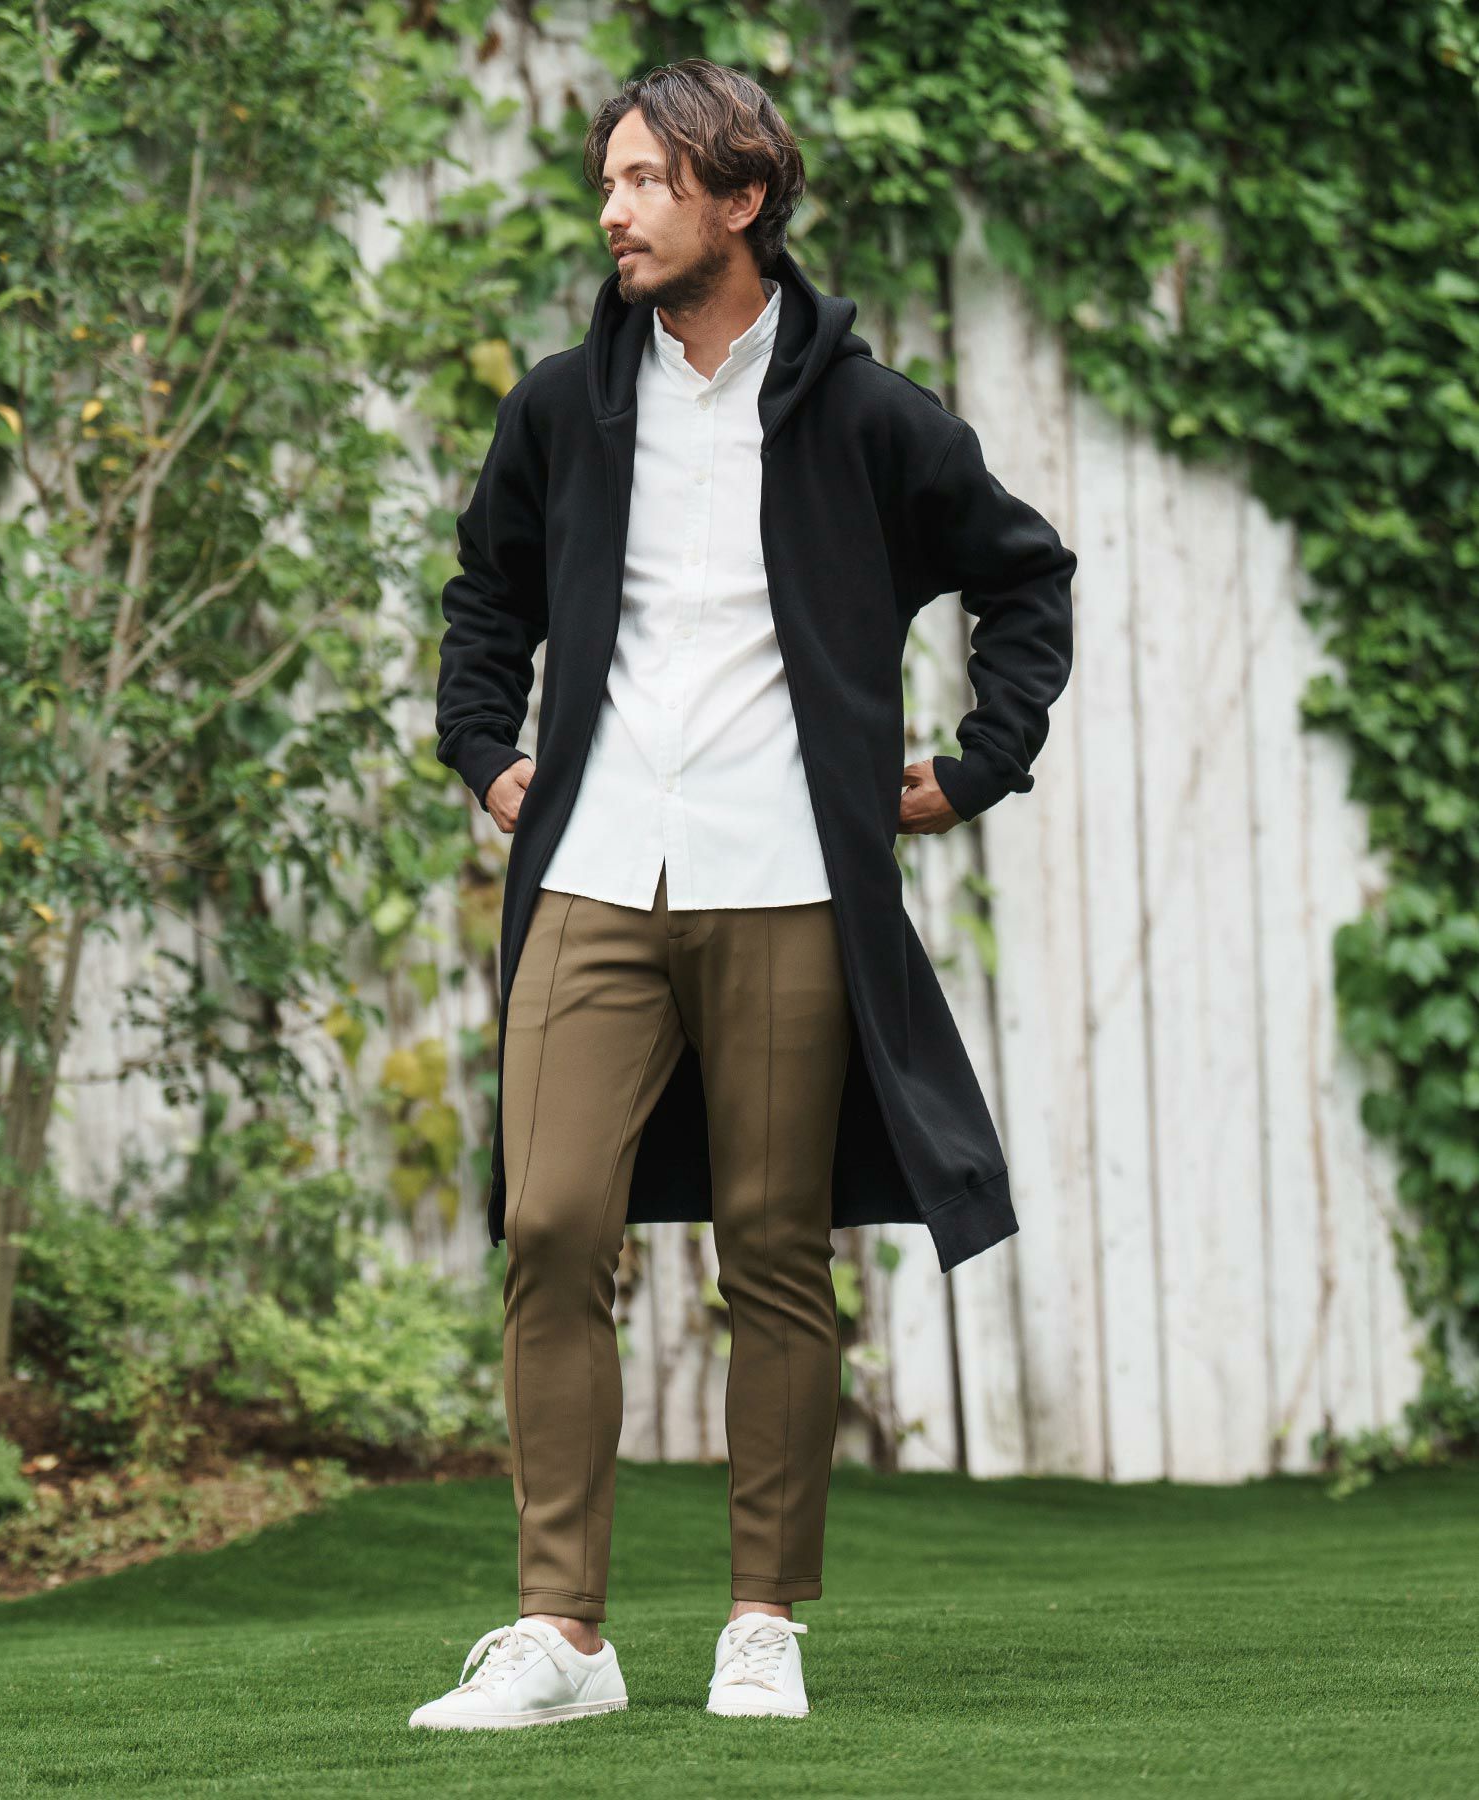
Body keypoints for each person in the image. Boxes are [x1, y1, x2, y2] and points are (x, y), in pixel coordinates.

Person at [412, 57, 1076, 1731]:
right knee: (551, 1223)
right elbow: (485, 596)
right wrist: (486, 749)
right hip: (595, 870)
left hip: (786, 881)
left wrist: (979, 763)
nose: (614, 211)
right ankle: (562, 1636)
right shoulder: (564, 408)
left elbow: (1024, 576)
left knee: (775, 1247)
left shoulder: (869, 416)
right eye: (609, 180)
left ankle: (762, 1620)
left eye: (647, 180)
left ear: (743, 199)